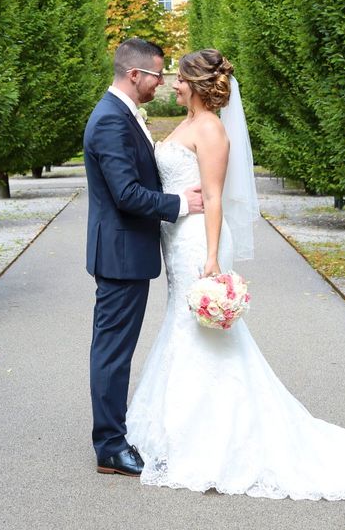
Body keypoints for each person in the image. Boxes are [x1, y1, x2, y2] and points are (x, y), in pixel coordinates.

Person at [126, 48, 345, 500]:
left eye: (181, 79)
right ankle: (178, 430)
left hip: (198, 241)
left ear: (197, 85)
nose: (174, 84)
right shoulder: (185, 123)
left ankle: (212, 439)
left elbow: (216, 197)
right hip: (177, 237)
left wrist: (211, 260)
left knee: (201, 331)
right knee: (182, 323)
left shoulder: (210, 129)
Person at [83, 38, 204, 478]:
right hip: (118, 255)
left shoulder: (121, 114)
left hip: (125, 251)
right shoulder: (111, 122)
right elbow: (127, 194)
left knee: (116, 348)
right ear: (135, 76)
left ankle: (113, 437)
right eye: (157, 74)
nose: (162, 82)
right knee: (113, 351)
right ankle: (110, 446)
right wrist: (180, 204)